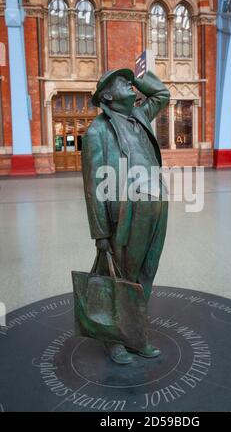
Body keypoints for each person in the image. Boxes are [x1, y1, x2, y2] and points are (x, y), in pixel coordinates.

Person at [81, 68, 170, 364]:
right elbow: (93, 185)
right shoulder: (97, 132)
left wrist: (135, 77)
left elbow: (162, 94)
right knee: (122, 279)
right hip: (125, 212)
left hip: (155, 204)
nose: (131, 87)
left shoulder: (141, 115)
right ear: (107, 96)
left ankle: (134, 333)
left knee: (146, 273)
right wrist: (101, 233)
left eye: (131, 83)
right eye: (123, 83)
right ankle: (113, 338)